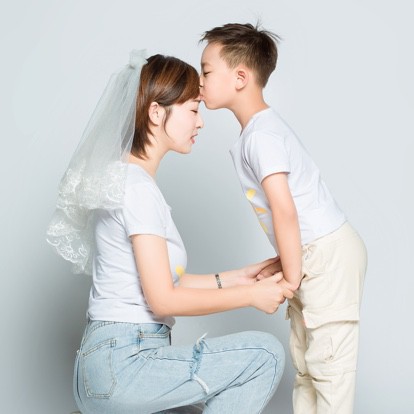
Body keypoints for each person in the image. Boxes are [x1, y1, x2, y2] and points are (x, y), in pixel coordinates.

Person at [46, 50, 293, 414]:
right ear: (157, 113)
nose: (200, 123)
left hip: (105, 366)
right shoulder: (137, 189)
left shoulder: (125, 181)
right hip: (124, 364)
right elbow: (163, 300)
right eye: (193, 110)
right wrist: (251, 296)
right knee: (265, 355)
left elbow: (164, 281)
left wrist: (239, 278)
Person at [199, 23, 367, 414]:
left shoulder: (262, 136)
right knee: (307, 365)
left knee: (329, 369)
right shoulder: (255, 135)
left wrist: (291, 277)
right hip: (312, 253)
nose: (199, 80)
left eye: (206, 71)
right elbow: (289, 216)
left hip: (328, 256)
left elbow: (284, 209)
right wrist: (287, 262)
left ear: (240, 78)